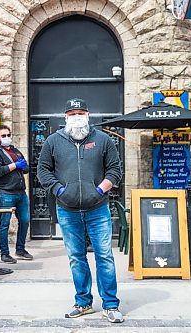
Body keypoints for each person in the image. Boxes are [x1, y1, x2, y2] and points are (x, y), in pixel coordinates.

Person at [37, 98, 124, 323]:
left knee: (104, 256)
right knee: (77, 257)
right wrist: (60, 190)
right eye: (73, 113)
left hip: (98, 208)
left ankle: (111, 305)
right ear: (65, 117)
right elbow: (43, 171)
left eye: (81, 112)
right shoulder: (52, 141)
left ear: (88, 115)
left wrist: (99, 190)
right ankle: (83, 302)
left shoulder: (103, 140)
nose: (77, 116)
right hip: (67, 209)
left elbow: (115, 170)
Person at [0, 124, 33, 264]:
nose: (7, 138)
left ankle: (20, 249)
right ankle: (4, 253)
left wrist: (23, 165)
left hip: (21, 192)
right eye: (3, 136)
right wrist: (15, 165)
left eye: (8, 135)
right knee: (4, 224)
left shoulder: (15, 151)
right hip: (6, 193)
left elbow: (25, 169)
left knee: (25, 221)